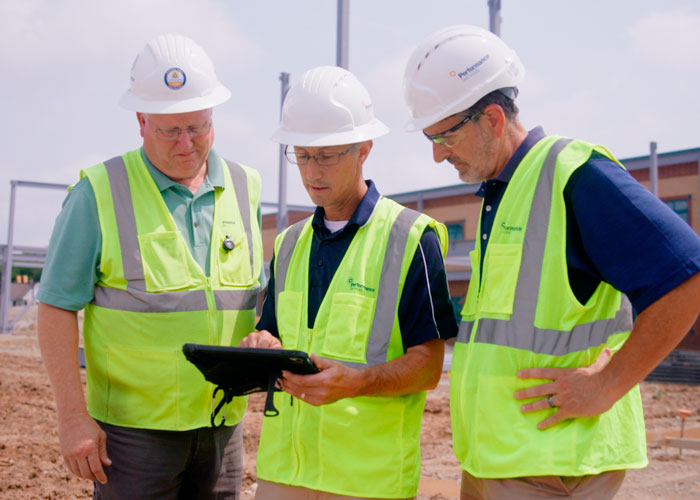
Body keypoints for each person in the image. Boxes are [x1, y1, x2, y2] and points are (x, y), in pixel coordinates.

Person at [402, 25, 700, 500]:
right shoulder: (501, 195)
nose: (438, 155)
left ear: (493, 119)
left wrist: (607, 384)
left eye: (445, 136)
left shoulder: (573, 174)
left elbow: (688, 276)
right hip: (497, 458)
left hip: (554, 465)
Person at [36, 34, 265, 500]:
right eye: (169, 130)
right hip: (132, 435)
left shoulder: (246, 187)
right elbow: (56, 306)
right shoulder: (98, 193)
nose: (186, 144)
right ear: (141, 121)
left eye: (198, 127)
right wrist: (73, 417)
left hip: (222, 427)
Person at [239, 65, 458, 500]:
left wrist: (355, 382)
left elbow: (429, 367)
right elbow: (276, 334)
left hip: (367, 482)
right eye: (302, 155)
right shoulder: (289, 244)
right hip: (284, 473)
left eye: (327, 155)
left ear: (364, 150)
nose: (312, 171)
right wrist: (262, 344)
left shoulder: (410, 238)